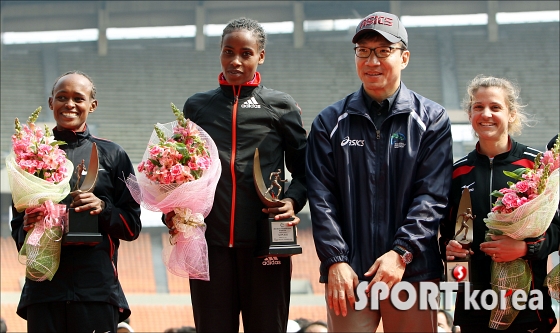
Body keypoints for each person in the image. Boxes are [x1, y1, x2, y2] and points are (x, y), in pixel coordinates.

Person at [306, 11, 453, 333]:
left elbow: (432, 195)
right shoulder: (329, 122)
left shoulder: (432, 119)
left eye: (383, 51)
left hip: (412, 271)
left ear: (404, 57)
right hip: (350, 274)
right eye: (363, 51)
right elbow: (320, 197)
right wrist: (335, 260)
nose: (372, 61)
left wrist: (402, 253)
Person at [164, 17, 307, 332]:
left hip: (266, 245)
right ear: (220, 53)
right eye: (228, 52)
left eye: (246, 53)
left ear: (261, 56)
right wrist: (172, 210)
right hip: (209, 246)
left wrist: (293, 201)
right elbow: (178, 169)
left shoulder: (280, 106)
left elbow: (306, 169)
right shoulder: (198, 107)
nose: (236, 61)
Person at [10, 71, 142, 332]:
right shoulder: (29, 157)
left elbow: (132, 226)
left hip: (96, 291)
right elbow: (16, 231)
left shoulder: (115, 155)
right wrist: (27, 223)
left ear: (92, 105)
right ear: (51, 103)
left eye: (78, 98)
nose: (69, 104)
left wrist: (103, 209)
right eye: (62, 97)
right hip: (43, 291)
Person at [440, 75, 559, 332]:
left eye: (495, 107)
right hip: (473, 309)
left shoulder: (538, 166)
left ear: (512, 114)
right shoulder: (457, 173)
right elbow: (448, 236)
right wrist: (451, 252)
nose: (486, 114)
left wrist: (524, 249)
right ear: (470, 114)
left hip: (528, 310)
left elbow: (556, 231)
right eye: (478, 107)